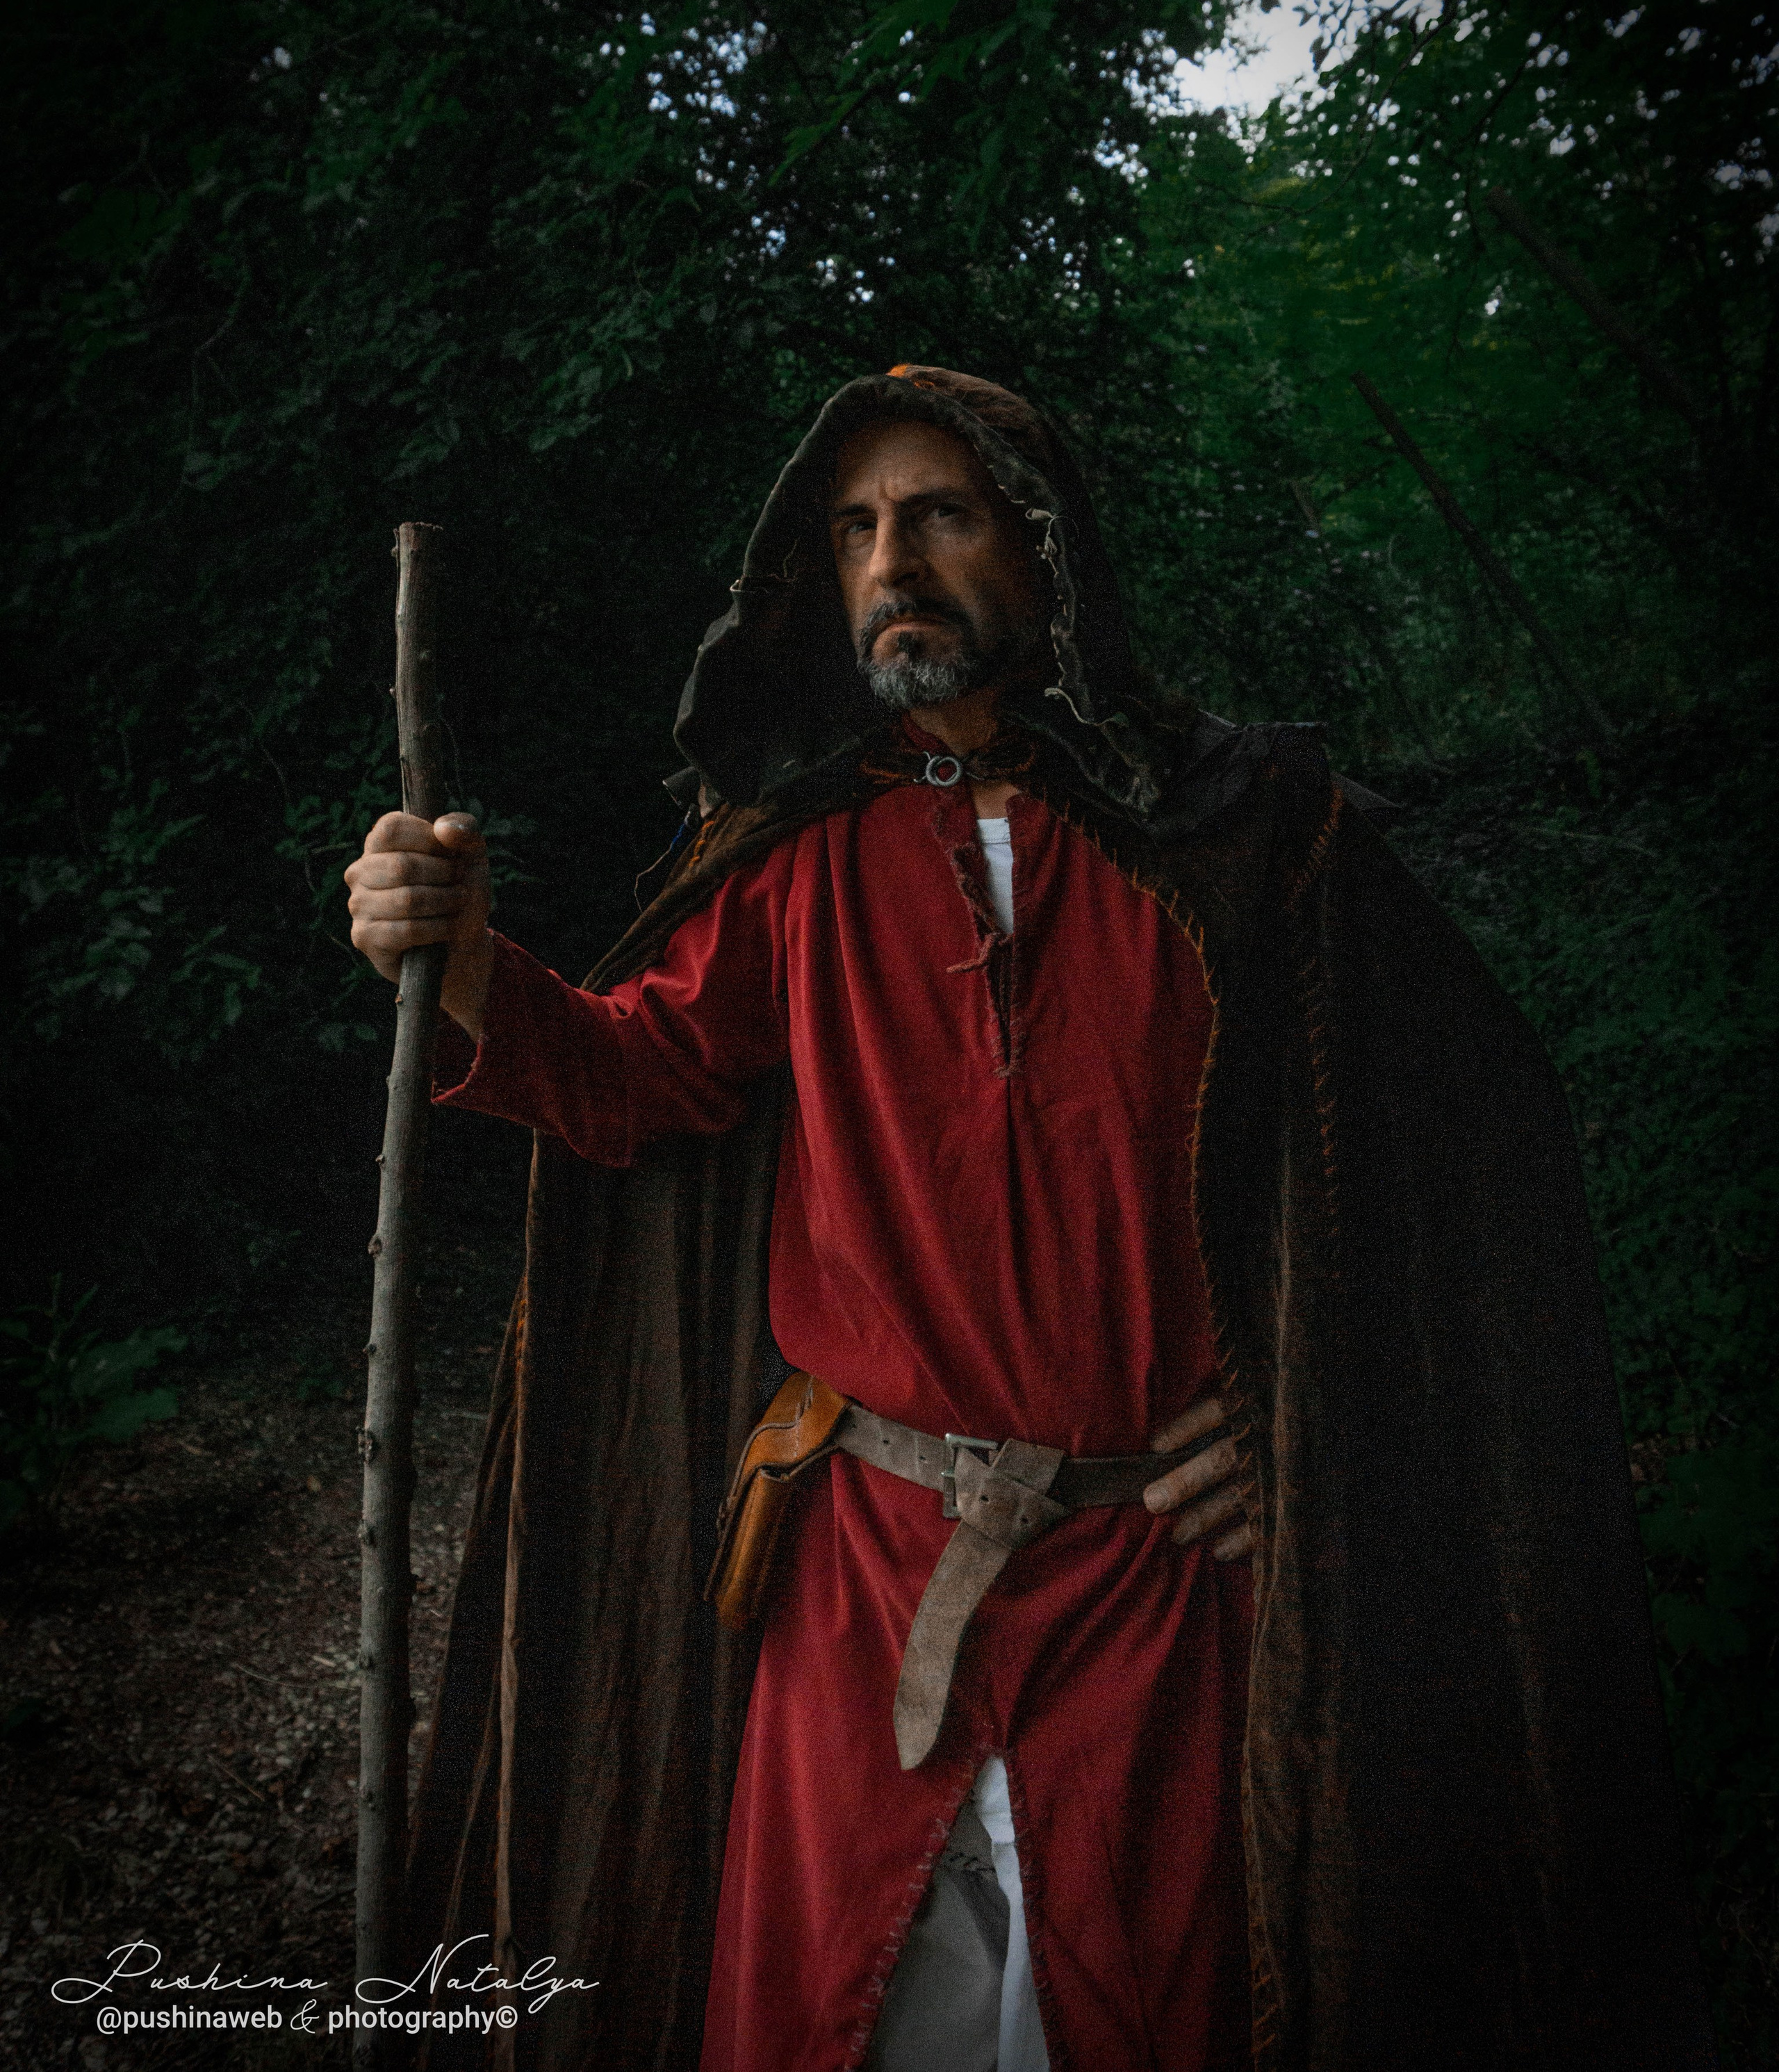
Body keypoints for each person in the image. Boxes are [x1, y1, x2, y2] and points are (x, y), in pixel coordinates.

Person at [346, 367, 1710, 2072]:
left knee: (1158, 2013)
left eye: (938, 514)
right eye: (852, 529)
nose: (888, 564)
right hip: (857, 1586)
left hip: (1158, 1599)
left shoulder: (1250, 850)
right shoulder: (792, 859)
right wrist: (464, 959)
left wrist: (1319, 1405)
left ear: (1046, 540)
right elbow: (634, 1082)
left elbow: (1452, 1186)